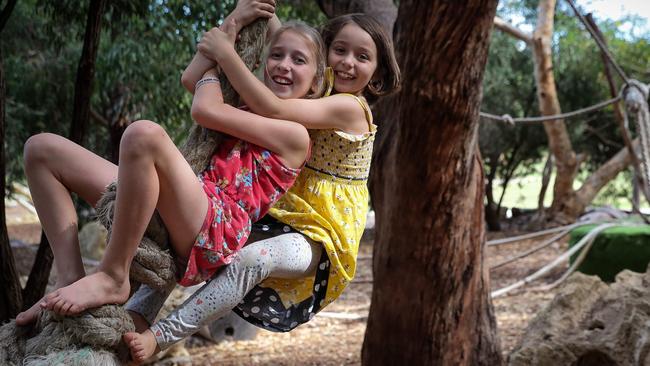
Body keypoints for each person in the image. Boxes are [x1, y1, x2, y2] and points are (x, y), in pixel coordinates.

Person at [15, 7, 321, 327]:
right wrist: (232, 22)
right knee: (41, 150)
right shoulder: (243, 106)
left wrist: (222, 51)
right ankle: (68, 279)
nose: (284, 65)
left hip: (215, 227)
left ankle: (113, 275)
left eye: (298, 60)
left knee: (144, 134)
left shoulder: (296, 135)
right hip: (183, 201)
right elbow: (192, 78)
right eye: (276, 55)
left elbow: (204, 108)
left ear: (314, 85)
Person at [122, 13, 401, 363]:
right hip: (281, 215)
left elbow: (273, 106)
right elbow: (292, 49)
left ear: (377, 72)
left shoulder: (350, 107)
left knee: (253, 259)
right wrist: (262, 15)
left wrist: (225, 53)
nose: (347, 62)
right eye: (339, 50)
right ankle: (137, 312)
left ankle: (162, 335)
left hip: (320, 237)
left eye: (362, 57)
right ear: (325, 53)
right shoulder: (318, 95)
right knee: (196, 237)